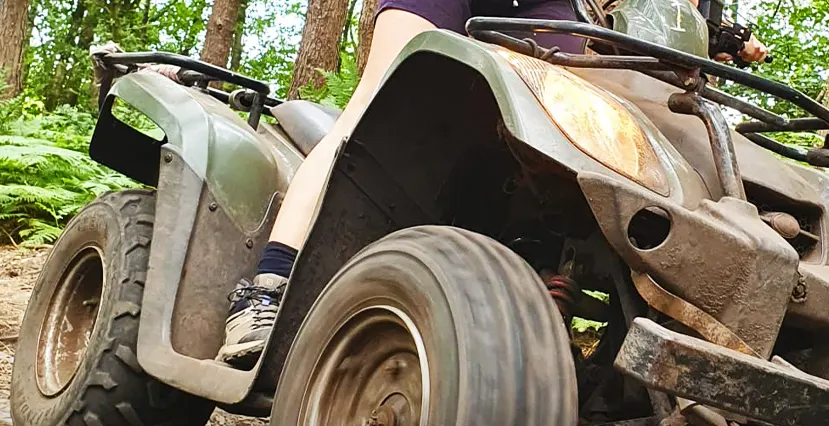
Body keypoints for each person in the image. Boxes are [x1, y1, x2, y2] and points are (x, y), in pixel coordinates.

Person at [215, 0, 768, 367]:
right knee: (371, 106)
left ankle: (531, 319)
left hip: (547, 3)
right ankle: (267, 290)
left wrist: (714, 35)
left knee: (569, 147)